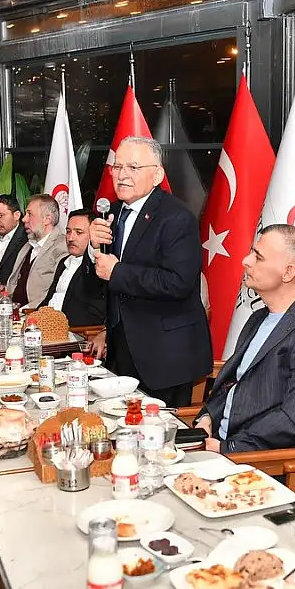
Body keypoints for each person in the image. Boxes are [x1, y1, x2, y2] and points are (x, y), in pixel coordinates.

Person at [194, 224, 295, 454]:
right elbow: (234, 383)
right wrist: (207, 417)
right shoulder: (258, 317)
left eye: (258, 257)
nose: (246, 261)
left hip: (252, 459)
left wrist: (226, 447)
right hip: (216, 440)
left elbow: (292, 420)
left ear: (288, 273)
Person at [87, 136, 211, 409]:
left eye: (133, 167)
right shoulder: (111, 213)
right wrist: (92, 248)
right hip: (120, 347)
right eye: (117, 167)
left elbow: (178, 282)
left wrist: (117, 271)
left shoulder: (177, 218)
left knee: (159, 431)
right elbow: (96, 283)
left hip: (164, 354)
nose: (122, 175)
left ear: (157, 175)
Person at [39, 208, 105, 326]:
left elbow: (93, 316)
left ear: (94, 235)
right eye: (68, 231)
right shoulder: (63, 262)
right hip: (45, 326)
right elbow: (48, 300)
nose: (70, 238)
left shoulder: (98, 266)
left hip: (72, 332)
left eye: (79, 232)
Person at [6, 194, 66, 309]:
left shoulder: (62, 247)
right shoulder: (27, 246)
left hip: (36, 313)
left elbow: (56, 292)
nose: (24, 219)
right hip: (12, 309)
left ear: (47, 219)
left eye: (30, 214)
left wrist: (25, 310)